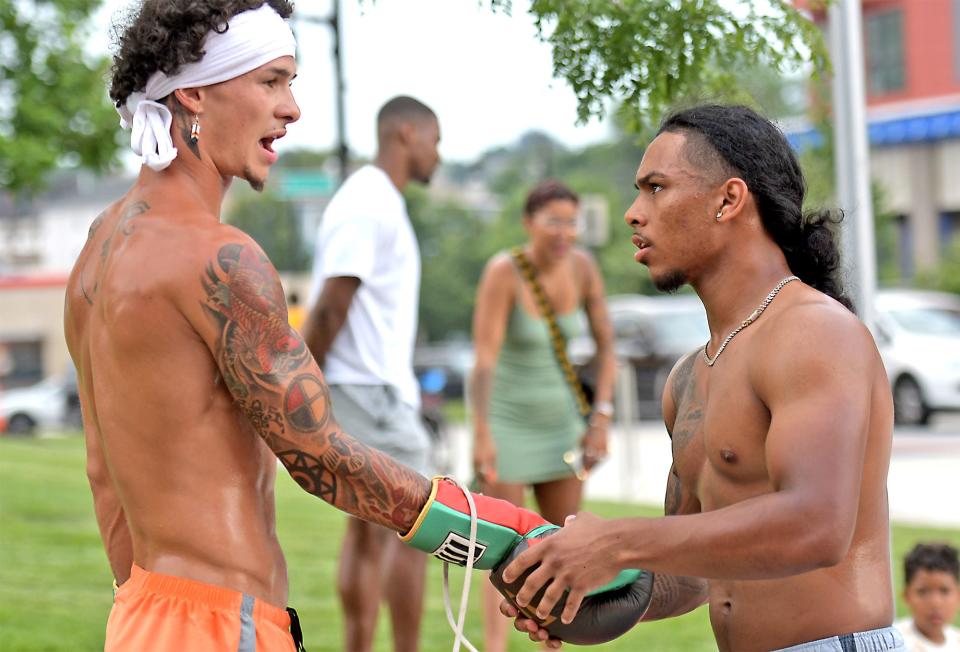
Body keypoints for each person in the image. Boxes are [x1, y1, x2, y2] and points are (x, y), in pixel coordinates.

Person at [64, 4, 562, 650]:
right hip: (221, 623)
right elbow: (320, 454)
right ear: (193, 93)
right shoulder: (221, 257)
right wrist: (502, 533)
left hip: (138, 616)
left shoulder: (96, 251)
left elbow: (103, 471)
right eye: (271, 81)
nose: (292, 108)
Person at [499, 103, 906, 652]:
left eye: (656, 187)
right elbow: (693, 572)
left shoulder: (813, 331)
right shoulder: (689, 376)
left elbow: (817, 525)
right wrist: (574, 592)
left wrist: (618, 541)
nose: (633, 213)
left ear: (729, 200)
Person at [301, 95, 440, 652]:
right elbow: (333, 302)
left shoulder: (377, 200)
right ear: (407, 133)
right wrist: (298, 384)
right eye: (435, 139)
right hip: (370, 392)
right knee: (420, 525)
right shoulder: (368, 201)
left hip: (366, 389)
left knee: (366, 532)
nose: (438, 153)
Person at [469, 179, 616, 651]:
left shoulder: (584, 268)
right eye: (553, 221)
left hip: (562, 427)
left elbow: (607, 348)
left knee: (563, 551)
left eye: (571, 222)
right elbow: (484, 359)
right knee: (504, 555)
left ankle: (554, 644)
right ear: (529, 222)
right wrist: (482, 432)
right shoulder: (505, 271)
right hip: (509, 426)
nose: (563, 232)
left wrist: (601, 418)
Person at [896, 543, 960, 651]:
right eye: (923, 592)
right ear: (906, 596)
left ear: (958, 595)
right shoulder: (895, 644)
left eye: (944, 591)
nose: (935, 603)